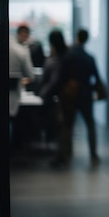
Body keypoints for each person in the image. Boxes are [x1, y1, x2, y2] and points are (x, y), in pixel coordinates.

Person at [55, 28, 103, 168]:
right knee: (90, 124)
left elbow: (61, 77)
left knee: (67, 125)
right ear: (86, 39)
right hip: (86, 95)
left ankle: (65, 155)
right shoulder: (89, 58)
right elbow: (96, 78)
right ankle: (93, 154)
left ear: (77, 37)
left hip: (70, 96)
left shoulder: (67, 57)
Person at [36, 30, 68, 160]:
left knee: (58, 126)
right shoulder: (66, 55)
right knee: (63, 127)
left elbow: (53, 81)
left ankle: (60, 156)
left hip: (56, 99)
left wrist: (42, 94)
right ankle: (62, 154)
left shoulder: (54, 59)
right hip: (63, 97)